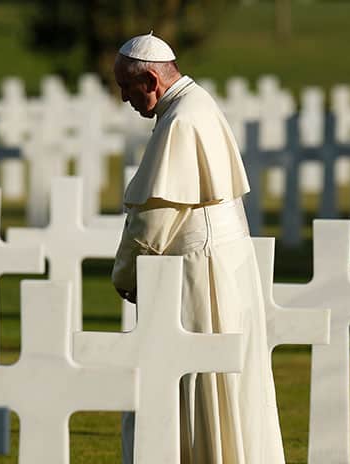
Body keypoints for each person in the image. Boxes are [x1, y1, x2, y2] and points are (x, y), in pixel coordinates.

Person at [112, 32, 286, 464]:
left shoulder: (182, 120)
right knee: (222, 385)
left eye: (125, 87)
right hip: (221, 264)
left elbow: (156, 217)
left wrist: (125, 274)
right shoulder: (196, 105)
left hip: (198, 272)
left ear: (151, 80)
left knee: (193, 377)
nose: (122, 99)